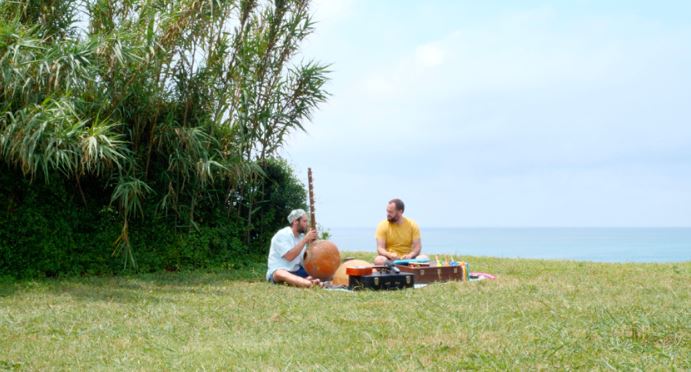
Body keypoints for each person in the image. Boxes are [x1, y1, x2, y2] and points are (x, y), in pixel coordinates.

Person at [266, 209, 322, 288]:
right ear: (295, 222)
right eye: (304, 221)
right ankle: (309, 283)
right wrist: (305, 240)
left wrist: (311, 244)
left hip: (296, 271)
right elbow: (289, 257)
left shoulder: (301, 237)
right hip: (280, 271)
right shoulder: (282, 234)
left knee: (318, 272)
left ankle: (305, 280)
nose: (307, 224)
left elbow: (304, 261)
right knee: (280, 273)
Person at [374, 198, 428, 265]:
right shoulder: (382, 225)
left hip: (409, 259)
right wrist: (389, 255)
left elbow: (417, 247)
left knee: (424, 257)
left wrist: (410, 255)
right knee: (378, 259)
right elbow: (380, 248)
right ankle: (393, 268)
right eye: (387, 211)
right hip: (390, 260)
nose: (388, 214)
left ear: (400, 212)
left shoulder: (412, 225)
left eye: (390, 212)